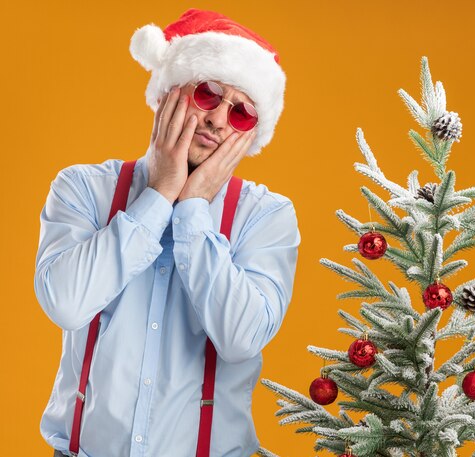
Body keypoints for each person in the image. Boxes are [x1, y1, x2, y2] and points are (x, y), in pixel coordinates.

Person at [34, 8, 300, 457]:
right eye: (208, 94)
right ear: (165, 95)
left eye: (241, 113)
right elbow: (65, 302)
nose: (218, 120)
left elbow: (240, 339)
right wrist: (158, 195)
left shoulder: (267, 216)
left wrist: (193, 209)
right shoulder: (83, 187)